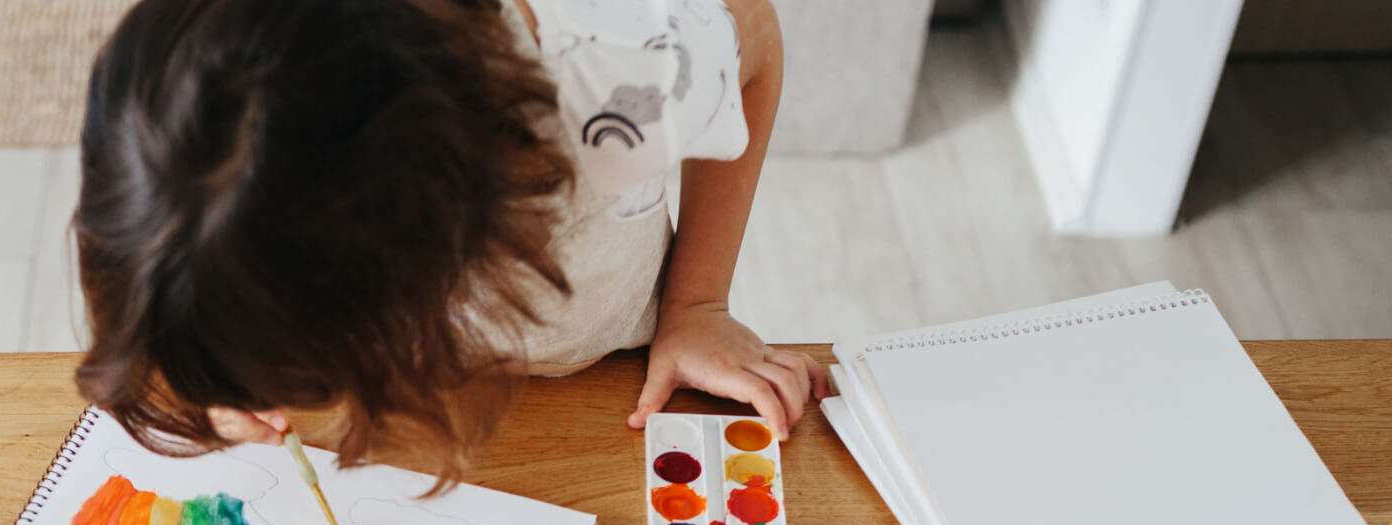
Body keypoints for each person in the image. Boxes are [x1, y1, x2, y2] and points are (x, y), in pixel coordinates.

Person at [73, 0, 828, 485]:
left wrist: (698, 302)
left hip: (608, 379)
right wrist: (225, 377)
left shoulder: (615, 75)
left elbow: (754, 40)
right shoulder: (238, 159)